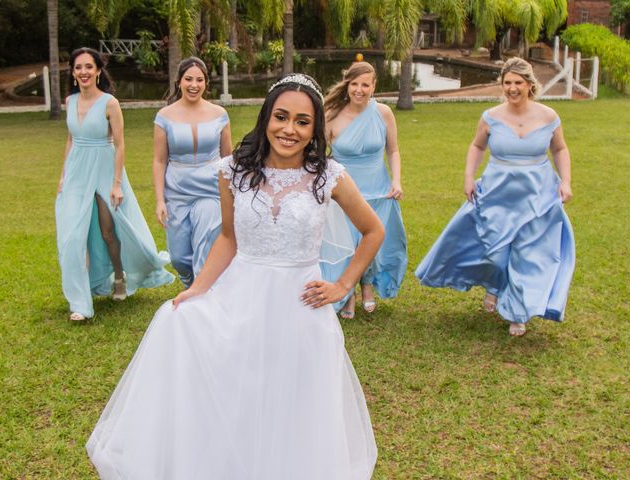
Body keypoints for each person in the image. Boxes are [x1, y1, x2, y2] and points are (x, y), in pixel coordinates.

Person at [86, 74, 383, 479]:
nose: (288, 129)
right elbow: (228, 238)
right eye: (281, 117)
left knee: (294, 400)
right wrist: (197, 289)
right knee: (230, 379)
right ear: (266, 118)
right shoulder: (234, 172)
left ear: (314, 129)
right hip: (243, 297)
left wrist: (343, 285)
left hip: (301, 309)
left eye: (301, 121)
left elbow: (373, 230)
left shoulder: (327, 176)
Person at [416, 57, 575, 337]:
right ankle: (495, 287)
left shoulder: (549, 116)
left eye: (518, 83)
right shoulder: (491, 116)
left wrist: (566, 182)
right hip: (498, 192)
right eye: (507, 83)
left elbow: (560, 150)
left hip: (537, 194)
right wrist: (468, 176)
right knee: (496, 254)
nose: (512, 88)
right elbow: (477, 146)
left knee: (527, 254)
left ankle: (517, 312)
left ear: (529, 85)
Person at [55, 47, 174, 321]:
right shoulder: (70, 101)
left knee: (109, 231)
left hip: (104, 169)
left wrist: (116, 183)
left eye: (88, 67)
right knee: (71, 238)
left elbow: (120, 144)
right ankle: (80, 304)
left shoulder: (110, 103)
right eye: (78, 67)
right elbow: (71, 139)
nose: (83, 72)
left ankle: (119, 275)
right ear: (73, 73)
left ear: (98, 70)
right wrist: (63, 175)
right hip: (75, 173)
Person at [322, 61, 407, 319]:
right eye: (355, 84)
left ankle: (367, 287)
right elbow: (318, 155)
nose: (359, 90)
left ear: (374, 86)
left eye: (365, 84)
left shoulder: (383, 113)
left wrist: (397, 181)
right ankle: (349, 294)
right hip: (344, 193)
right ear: (347, 84)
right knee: (348, 244)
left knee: (374, 243)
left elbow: (393, 150)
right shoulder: (330, 115)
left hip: (378, 190)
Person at [153, 57, 232, 287]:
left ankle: (202, 292)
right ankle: (190, 283)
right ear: (179, 82)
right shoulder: (164, 116)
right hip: (177, 190)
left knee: (205, 246)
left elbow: (228, 157)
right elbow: (159, 161)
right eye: (188, 79)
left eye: (199, 80)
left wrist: (232, 193)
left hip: (211, 188)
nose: (194, 85)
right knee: (179, 257)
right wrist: (160, 200)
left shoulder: (219, 114)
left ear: (206, 83)